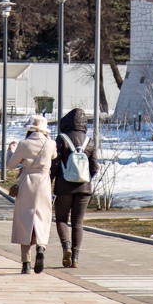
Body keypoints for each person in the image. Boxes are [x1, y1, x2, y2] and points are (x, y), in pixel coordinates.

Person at [8, 114, 56, 274]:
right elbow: (54, 156)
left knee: (25, 219)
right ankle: (41, 247)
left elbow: (10, 165)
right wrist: (47, 138)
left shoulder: (24, 144)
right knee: (43, 217)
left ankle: (26, 263)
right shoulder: (50, 144)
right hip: (43, 183)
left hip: (27, 182)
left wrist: (11, 151)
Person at [52, 107, 99, 268]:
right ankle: (76, 257)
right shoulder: (89, 141)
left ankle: (66, 247)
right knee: (78, 222)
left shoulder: (62, 139)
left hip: (64, 187)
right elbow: (94, 167)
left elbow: (55, 164)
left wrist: (51, 179)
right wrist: (85, 179)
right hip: (84, 188)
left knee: (61, 219)